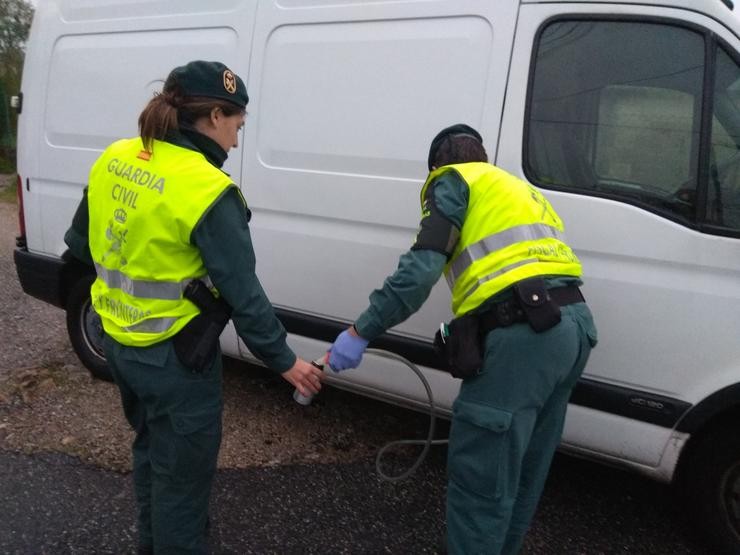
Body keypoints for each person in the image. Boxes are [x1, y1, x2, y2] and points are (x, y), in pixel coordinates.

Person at [63, 60, 324, 554]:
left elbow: (79, 246)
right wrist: (287, 364)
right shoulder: (208, 190)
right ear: (214, 117)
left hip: (118, 344)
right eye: (237, 126)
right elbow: (245, 296)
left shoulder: (116, 157)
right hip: (175, 361)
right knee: (182, 488)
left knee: (150, 456)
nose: (237, 141)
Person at [328, 124, 598, 554]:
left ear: (437, 166)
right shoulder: (516, 188)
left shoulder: (453, 181)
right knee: (522, 474)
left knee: (481, 488)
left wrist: (361, 331)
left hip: (522, 338)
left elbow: (419, 272)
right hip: (573, 329)